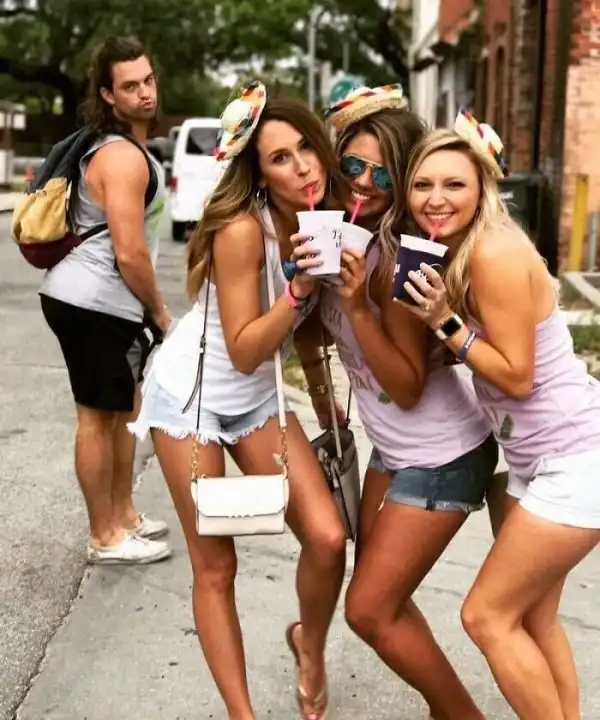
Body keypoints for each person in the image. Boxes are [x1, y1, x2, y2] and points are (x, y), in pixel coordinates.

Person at [129, 82, 346, 720]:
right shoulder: (243, 230)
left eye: (306, 147)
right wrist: (300, 289)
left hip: (256, 401)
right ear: (258, 171)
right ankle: (241, 714)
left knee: (329, 538)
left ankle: (310, 647)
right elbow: (248, 348)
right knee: (216, 567)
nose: (302, 165)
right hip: (191, 399)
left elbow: (304, 333)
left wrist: (326, 402)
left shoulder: (320, 221)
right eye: (280, 157)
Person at [292, 86, 498, 719]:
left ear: (403, 181)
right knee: (383, 596)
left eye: (383, 174)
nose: (364, 182)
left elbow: (407, 387)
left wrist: (357, 306)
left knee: (368, 610)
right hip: (393, 449)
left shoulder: (402, 261)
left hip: (443, 454)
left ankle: (460, 714)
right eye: (352, 165)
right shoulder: (338, 238)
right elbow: (310, 334)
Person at [401, 108, 600, 720]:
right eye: (422, 184)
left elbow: (517, 375)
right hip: (536, 457)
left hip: (575, 458)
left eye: (454, 184)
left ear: (483, 186)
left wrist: (444, 323)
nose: (436, 199)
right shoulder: (460, 249)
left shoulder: (493, 252)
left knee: (485, 616)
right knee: (534, 618)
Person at [39, 36, 171, 565]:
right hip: (91, 302)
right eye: (130, 86)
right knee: (96, 418)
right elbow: (130, 253)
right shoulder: (120, 157)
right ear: (108, 96)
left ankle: (124, 516)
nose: (145, 93)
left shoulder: (127, 149)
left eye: (148, 80)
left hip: (105, 304)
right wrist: (160, 311)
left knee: (123, 411)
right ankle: (104, 535)